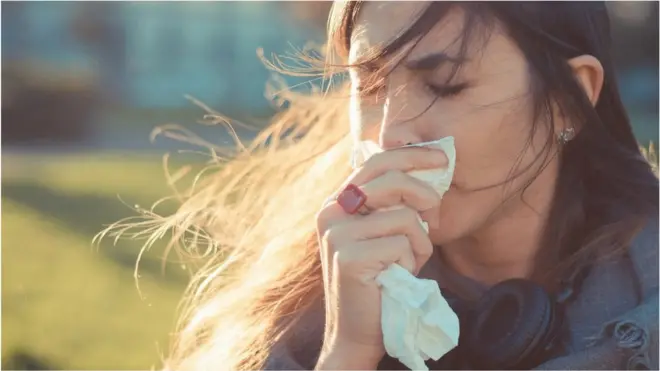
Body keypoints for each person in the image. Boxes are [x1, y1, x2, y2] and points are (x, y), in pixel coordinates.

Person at [104, 2, 658, 370]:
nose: (391, 133)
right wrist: (347, 350)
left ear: (570, 99)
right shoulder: (302, 305)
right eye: (368, 86)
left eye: (446, 84)